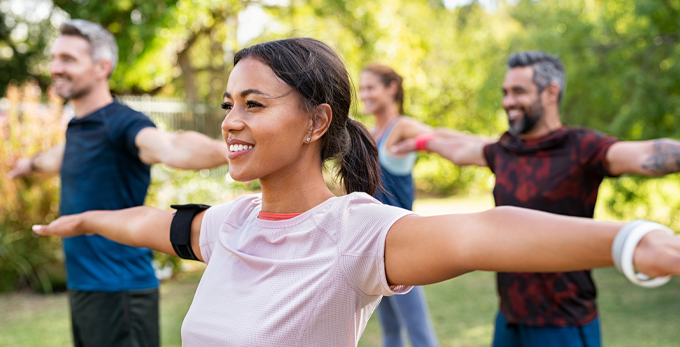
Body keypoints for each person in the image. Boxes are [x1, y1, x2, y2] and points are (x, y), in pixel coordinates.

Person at [31, 39, 680, 347]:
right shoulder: (230, 223)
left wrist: (630, 239)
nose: (230, 120)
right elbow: (155, 222)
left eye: (253, 103)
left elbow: (484, 232)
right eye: (229, 103)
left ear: (317, 121)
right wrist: (87, 217)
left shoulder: (355, 232)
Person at [391, 51, 680, 347]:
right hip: (510, 319)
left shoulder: (582, 148)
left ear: (550, 92)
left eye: (518, 91)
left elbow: (646, 154)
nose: (507, 101)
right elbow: (460, 149)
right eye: (505, 92)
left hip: (563, 322)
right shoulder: (504, 149)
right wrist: (420, 142)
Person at [8, 20, 229, 347]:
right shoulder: (80, 128)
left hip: (120, 292)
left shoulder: (123, 123)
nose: (56, 67)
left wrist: (230, 150)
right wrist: (26, 165)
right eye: (54, 58)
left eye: (68, 59)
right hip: (85, 289)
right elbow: (58, 158)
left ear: (102, 67)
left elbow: (171, 146)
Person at [359, 64, 439, 347]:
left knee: (419, 333)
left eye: (370, 87)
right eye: (362, 87)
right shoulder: (369, 134)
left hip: (402, 244)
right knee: (390, 331)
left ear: (391, 88)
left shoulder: (402, 127)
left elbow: (439, 137)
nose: (363, 94)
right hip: (373, 244)